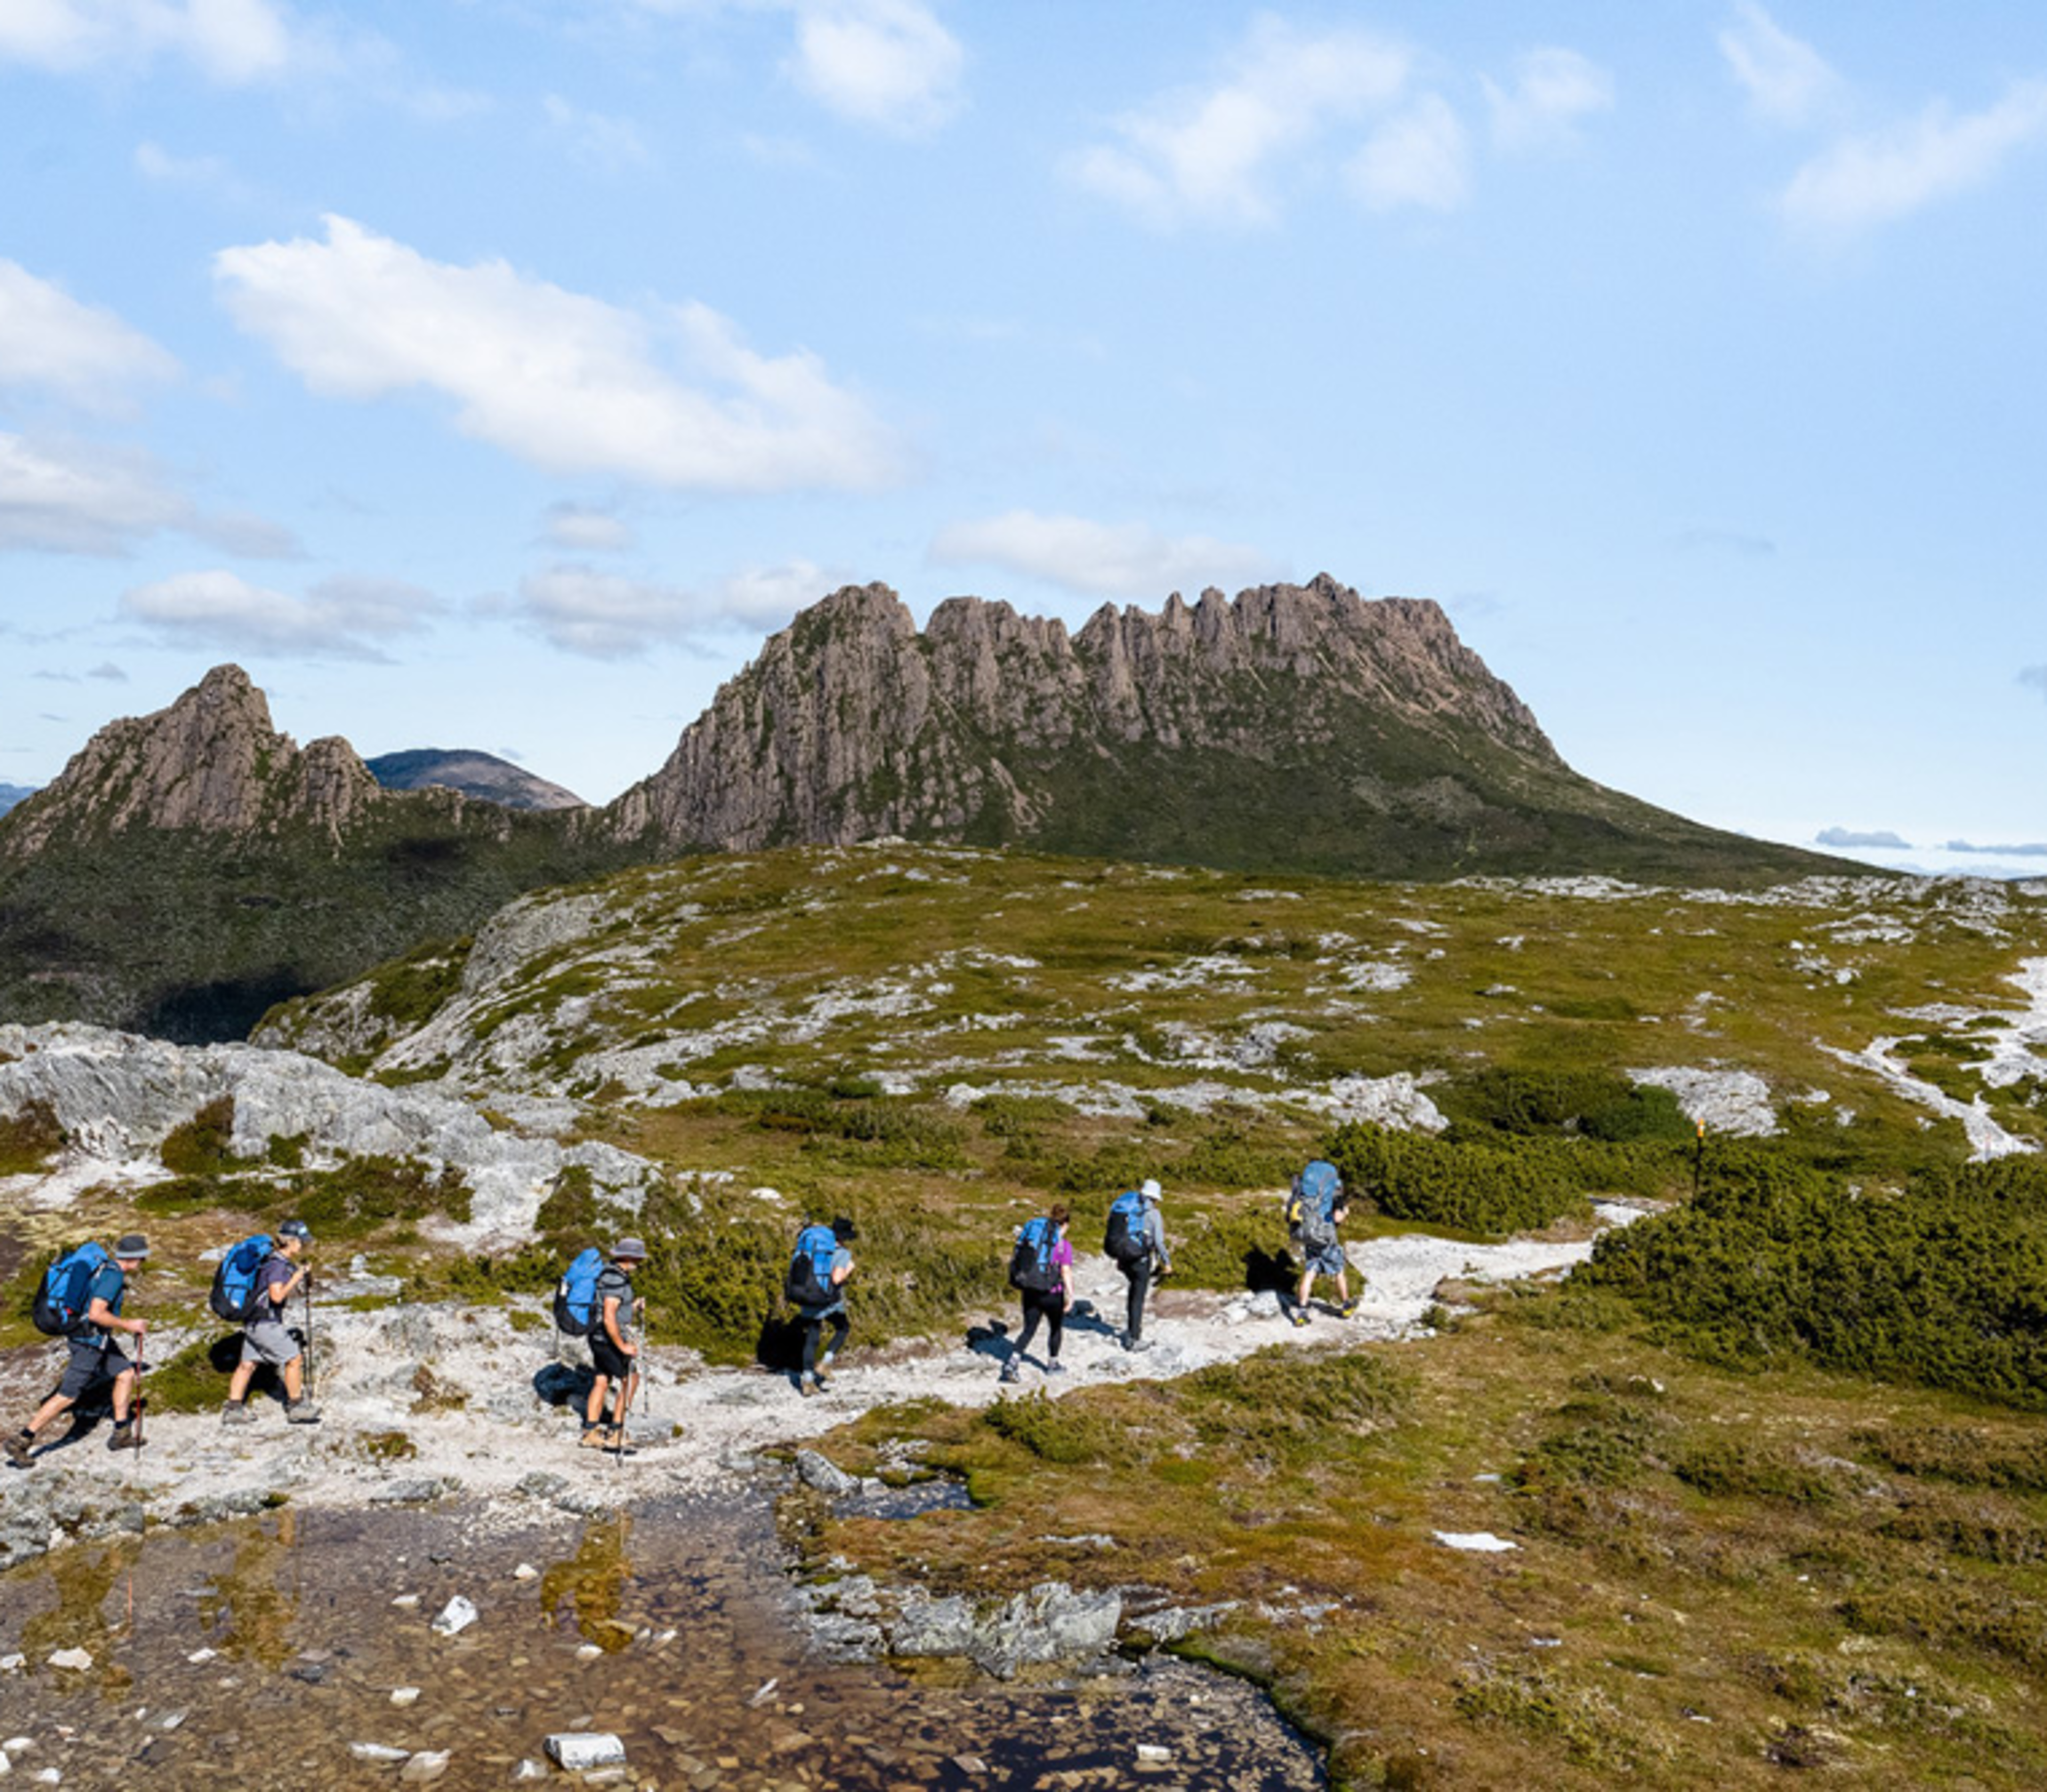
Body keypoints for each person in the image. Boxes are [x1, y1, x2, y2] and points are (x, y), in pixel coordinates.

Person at [6, 1234, 151, 1466]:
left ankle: (121, 1433)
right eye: (142, 1258)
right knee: (67, 1395)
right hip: (89, 1342)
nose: (143, 1262)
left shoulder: (106, 1269)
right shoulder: (112, 1276)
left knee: (126, 1374)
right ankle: (22, 1439)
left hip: (94, 1338)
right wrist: (129, 1325)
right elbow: (96, 1313)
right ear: (133, 1259)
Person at [222, 1219, 321, 1425]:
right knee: (294, 1359)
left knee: (247, 1365)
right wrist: (296, 1278)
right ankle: (297, 1407)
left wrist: (302, 1276)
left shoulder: (272, 1262)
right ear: (291, 1242)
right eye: (301, 1242)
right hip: (266, 1323)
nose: (302, 1246)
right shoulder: (277, 1266)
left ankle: (233, 1409)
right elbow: (276, 1296)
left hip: (254, 1322)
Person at [582, 1237, 646, 1450]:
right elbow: (610, 1316)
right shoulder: (615, 1279)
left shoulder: (612, 1273)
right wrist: (623, 1346)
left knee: (602, 1380)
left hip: (597, 1335)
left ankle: (590, 1432)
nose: (640, 1261)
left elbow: (613, 1309)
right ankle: (616, 1432)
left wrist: (634, 1306)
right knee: (631, 1379)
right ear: (628, 1257)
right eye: (638, 1257)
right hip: (606, 1337)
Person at [1001, 1204, 1075, 1384]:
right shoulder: (1064, 1246)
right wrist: (1071, 1296)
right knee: (1055, 1328)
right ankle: (1052, 1365)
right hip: (1053, 1294)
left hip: (1030, 1290)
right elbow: (1065, 1272)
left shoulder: (1036, 1240)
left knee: (1029, 1329)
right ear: (1064, 1225)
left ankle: (1012, 1363)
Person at [791, 1216, 856, 1397]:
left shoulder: (813, 1249)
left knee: (812, 1338)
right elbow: (836, 1279)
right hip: (829, 1302)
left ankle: (808, 1381)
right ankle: (826, 1363)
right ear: (843, 1237)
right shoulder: (842, 1253)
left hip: (808, 1298)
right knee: (843, 1328)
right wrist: (849, 1269)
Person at [1109, 1179, 1172, 1352]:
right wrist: (1167, 1263)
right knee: (1138, 1297)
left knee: (1133, 1290)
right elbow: (1158, 1242)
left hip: (1125, 1258)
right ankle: (1134, 1338)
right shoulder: (1153, 1214)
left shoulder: (1129, 1207)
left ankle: (1131, 1330)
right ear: (1155, 1198)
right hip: (1140, 1259)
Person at [1292, 1186, 1359, 1326]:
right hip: (1328, 1243)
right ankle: (1346, 1305)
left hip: (1311, 1241)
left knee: (1309, 1273)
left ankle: (1302, 1313)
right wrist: (1345, 1212)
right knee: (1339, 1272)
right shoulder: (1333, 1198)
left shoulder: (1310, 1197)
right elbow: (1337, 1219)